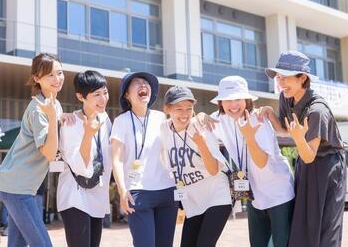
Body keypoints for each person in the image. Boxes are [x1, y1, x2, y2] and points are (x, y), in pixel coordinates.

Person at [260, 51, 345, 247]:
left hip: (328, 166)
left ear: (302, 78)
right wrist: (271, 115)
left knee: (325, 226)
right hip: (306, 165)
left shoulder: (317, 110)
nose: (281, 83)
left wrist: (298, 137)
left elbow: (309, 154)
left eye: (286, 77)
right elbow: (285, 131)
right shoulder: (286, 98)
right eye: (279, 77)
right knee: (302, 222)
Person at [210, 76, 295, 247]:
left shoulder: (258, 119)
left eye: (238, 99)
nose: (233, 105)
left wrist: (249, 137)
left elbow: (262, 162)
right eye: (227, 100)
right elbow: (195, 123)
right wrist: (202, 116)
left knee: (282, 244)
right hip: (254, 195)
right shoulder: (221, 119)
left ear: (247, 100)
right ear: (221, 103)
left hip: (279, 193)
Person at [0, 53, 64, 247]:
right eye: (49, 75)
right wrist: (52, 119)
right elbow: (49, 153)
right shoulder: (40, 110)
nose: (57, 79)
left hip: (17, 185)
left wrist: (63, 118)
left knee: (17, 244)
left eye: (59, 72)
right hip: (18, 187)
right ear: (36, 78)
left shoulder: (54, 104)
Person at [110, 72, 178, 247]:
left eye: (146, 83)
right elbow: (116, 159)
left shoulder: (162, 118)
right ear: (126, 94)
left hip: (167, 191)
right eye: (137, 83)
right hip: (137, 193)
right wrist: (122, 190)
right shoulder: (121, 121)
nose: (143, 85)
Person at [161, 86, 232, 247]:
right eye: (179, 108)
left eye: (189, 108)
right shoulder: (163, 129)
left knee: (204, 244)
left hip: (217, 196)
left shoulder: (200, 127)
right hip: (193, 200)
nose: (185, 113)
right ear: (167, 109)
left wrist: (201, 143)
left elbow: (214, 170)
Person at [57, 70, 112, 247]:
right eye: (96, 94)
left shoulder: (105, 119)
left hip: (97, 194)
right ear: (81, 97)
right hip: (75, 195)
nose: (103, 99)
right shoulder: (70, 123)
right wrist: (88, 135)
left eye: (105, 92)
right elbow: (81, 167)